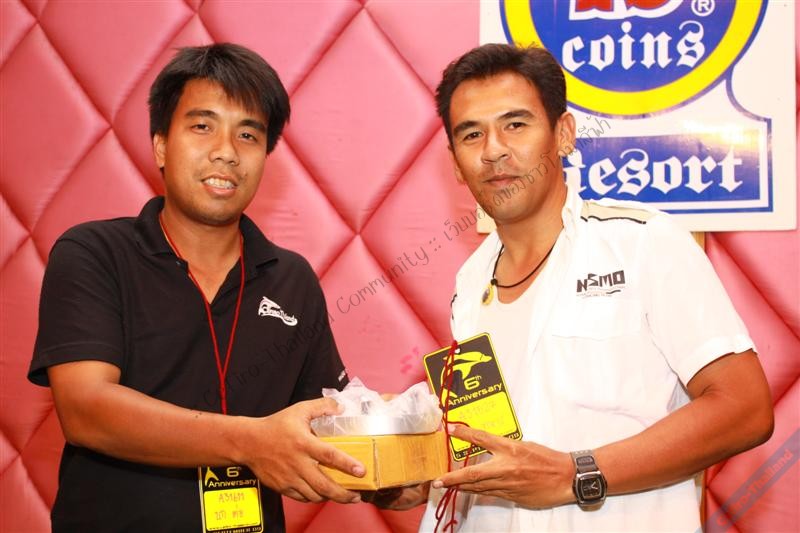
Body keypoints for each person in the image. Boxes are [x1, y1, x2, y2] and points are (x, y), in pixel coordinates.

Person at [411, 43, 774, 531]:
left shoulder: (642, 242)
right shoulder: (470, 281)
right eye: (472, 134)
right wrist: (417, 473)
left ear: (563, 134)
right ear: (455, 162)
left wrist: (575, 474)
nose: (493, 150)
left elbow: (745, 408)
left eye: (515, 124)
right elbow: (494, 445)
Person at [28, 43, 365, 532]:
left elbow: (328, 424)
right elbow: (86, 410)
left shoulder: (292, 279)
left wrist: (402, 466)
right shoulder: (94, 253)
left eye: (247, 134)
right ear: (161, 145)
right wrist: (250, 442)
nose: (226, 151)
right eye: (203, 126)